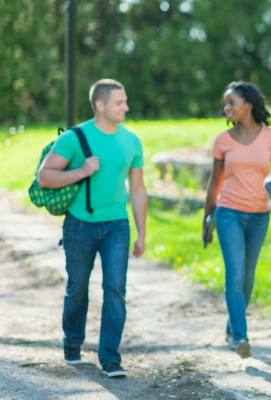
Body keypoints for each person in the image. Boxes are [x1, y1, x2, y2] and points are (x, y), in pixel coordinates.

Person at [38, 79, 147, 378]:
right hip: (79, 225)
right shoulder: (75, 138)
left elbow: (137, 190)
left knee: (115, 289)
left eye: (125, 101)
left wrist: (142, 232)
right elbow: (44, 176)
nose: (126, 107)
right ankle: (72, 342)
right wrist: (81, 171)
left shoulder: (131, 141)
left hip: (117, 226)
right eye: (119, 103)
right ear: (100, 105)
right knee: (77, 288)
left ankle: (110, 357)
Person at [203, 81, 271, 359]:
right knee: (235, 275)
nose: (226, 108)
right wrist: (207, 218)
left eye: (231, 103)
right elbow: (215, 182)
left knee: (247, 278)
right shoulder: (222, 141)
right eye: (225, 104)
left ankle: (231, 327)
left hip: (260, 215)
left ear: (248, 105)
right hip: (229, 213)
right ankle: (241, 335)